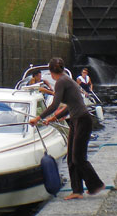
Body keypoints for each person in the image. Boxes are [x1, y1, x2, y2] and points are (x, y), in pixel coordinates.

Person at [30, 57, 105, 200]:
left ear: (51, 72)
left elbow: (54, 105)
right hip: (77, 120)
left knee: (78, 158)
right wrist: (53, 119)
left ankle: (96, 185)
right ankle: (77, 190)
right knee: (71, 157)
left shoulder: (61, 82)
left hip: (82, 120)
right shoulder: (66, 80)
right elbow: (71, 105)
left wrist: (38, 118)